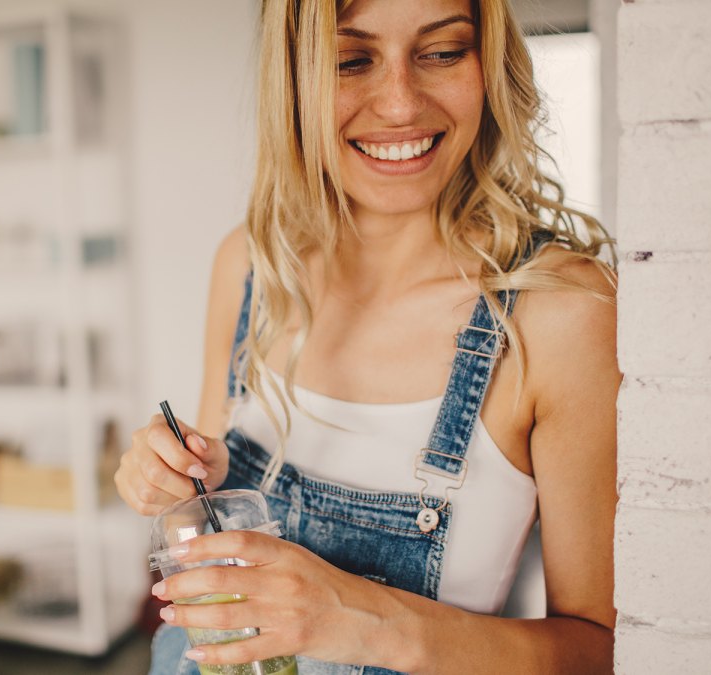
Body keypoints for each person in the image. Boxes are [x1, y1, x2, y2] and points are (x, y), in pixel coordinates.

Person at [116, 0, 620, 672]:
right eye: (352, 61)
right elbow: (208, 510)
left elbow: (603, 651)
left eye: (441, 52)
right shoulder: (249, 266)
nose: (400, 105)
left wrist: (360, 618)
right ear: (292, 81)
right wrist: (168, 480)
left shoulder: (560, 314)